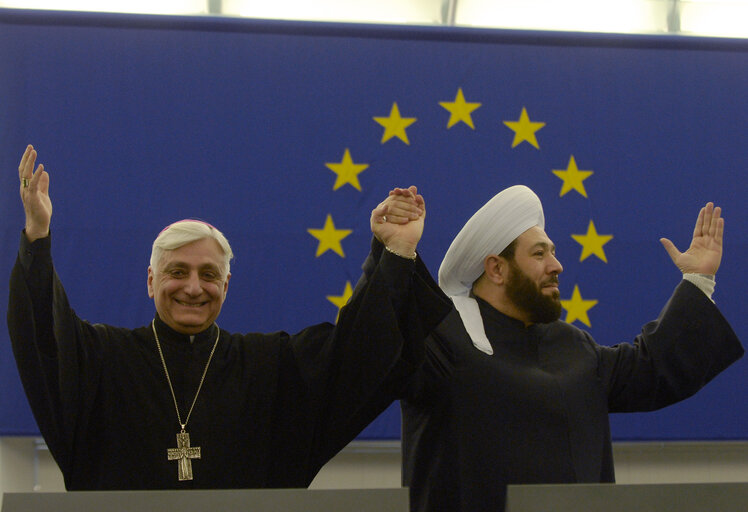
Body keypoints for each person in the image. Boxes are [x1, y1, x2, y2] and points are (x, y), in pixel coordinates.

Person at [7, 144, 452, 490]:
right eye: (177, 273)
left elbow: (354, 357)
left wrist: (394, 252)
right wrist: (37, 236)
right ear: (149, 280)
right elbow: (45, 340)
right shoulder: (102, 360)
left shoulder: (268, 367)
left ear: (227, 285)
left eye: (209, 275)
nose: (193, 288)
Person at [391, 185, 744, 512]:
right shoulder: (440, 342)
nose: (557, 266)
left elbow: (651, 369)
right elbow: (370, 347)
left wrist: (699, 280)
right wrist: (394, 251)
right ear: (496, 268)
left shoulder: (572, 345)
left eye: (553, 253)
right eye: (540, 253)